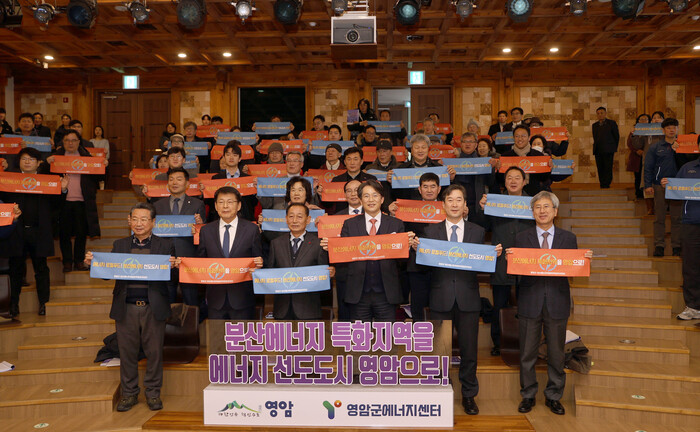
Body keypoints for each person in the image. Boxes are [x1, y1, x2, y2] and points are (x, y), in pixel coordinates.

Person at [415, 184, 502, 416]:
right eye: (450, 200)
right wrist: (418, 251)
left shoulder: (477, 231)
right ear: (443, 205)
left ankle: (469, 395)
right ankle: (440, 391)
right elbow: (422, 268)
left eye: (459, 200)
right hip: (440, 297)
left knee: (469, 351)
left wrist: (492, 256)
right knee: (439, 351)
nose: (454, 204)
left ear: (465, 205)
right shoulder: (430, 232)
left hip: (468, 299)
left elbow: (480, 264)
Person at [84, 202, 178, 413]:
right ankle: (129, 394)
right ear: (129, 221)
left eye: (144, 219)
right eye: (134, 219)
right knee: (127, 353)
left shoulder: (166, 245)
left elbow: (172, 279)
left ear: (153, 222)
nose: (139, 223)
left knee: (154, 353)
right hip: (126, 308)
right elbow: (108, 272)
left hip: (153, 308)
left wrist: (174, 267)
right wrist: (93, 264)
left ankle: (153, 393)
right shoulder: (120, 245)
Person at [509, 191, 592, 416]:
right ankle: (528, 394)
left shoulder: (568, 238)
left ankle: (554, 396)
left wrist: (584, 261)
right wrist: (510, 260)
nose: (542, 211)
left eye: (546, 207)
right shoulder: (521, 238)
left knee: (556, 353)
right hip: (530, 300)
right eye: (537, 207)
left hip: (557, 301)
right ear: (532, 212)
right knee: (527, 352)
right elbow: (516, 271)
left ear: (555, 211)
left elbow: (573, 269)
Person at [328, 179, 413, 322]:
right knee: (360, 335)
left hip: (386, 293)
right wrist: (332, 247)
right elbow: (344, 257)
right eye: (366, 196)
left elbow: (402, 261)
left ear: (382, 199)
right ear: (361, 200)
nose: (371, 200)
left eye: (375, 195)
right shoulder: (349, 224)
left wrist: (406, 247)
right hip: (358, 293)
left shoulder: (396, 224)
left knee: (386, 335)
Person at [0, 147, 67, 317]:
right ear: (19, 162)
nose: (27, 162)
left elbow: (57, 206)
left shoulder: (47, 181)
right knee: (15, 269)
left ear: (38, 163)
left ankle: (44, 304)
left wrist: (63, 190)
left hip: (39, 232)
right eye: (24, 159)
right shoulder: (10, 179)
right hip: (16, 231)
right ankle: (13, 305)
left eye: (31, 159)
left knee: (41, 269)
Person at [479, 167, 534, 355]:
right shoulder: (495, 202)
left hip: (526, 262)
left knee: (526, 305)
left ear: (524, 181)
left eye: (517, 178)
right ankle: (498, 343)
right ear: (504, 182)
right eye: (509, 177)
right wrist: (483, 209)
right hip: (500, 261)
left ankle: (526, 343)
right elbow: (483, 227)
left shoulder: (534, 203)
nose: (513, 181)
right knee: (499, 305)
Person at [197, 186, 263, 319]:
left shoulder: (251, 229)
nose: (225, 206)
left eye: (230, 202)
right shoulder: (206, 231)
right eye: (221, 202)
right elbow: (200, 261)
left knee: (242, 333)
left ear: (239, 206)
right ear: (216, 206)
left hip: (242, 298)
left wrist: (260, 264)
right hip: (215, 298)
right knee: (215, 333)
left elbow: (259, 258)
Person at [46, 130, 104, 273]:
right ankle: (67, 262)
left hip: (82, 201)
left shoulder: (87, 157)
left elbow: (98, 178)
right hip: (62, 202)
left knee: (81, 233)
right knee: (64, 234)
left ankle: (79, 261)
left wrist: (103, 166)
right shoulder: (56, 157)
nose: (70, 143)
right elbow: (44, 177)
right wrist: (47, 164)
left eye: (74, 140)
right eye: (67, 140)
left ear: (79, 142)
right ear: (63, 142)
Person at [389, 172, 442, 321]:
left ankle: (439, 336)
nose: (429, 190)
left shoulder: (448, 206)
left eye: (433, 186)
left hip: (441, 265)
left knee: (440, 307)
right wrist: (393, 215)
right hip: (416, 265)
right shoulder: (408, 208)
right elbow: (398, 231)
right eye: (425, 186)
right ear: (419, 189)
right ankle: (420, 333)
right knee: (418, 307)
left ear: (439, 189)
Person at [267, 203, 331, 320]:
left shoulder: (318, 244)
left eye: (299, 217)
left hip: (309, 308)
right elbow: (270, 273)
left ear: (308, 220)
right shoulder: (275, 243)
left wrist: (329, 273)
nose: (295, 220)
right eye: (291, 216)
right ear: (286, 219)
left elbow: (323, 275)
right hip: (282, 309)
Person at [153, 167, 205, 305]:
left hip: (188, 259)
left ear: (187, 184)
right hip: (165, 259)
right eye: (171, 179)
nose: (174, 182)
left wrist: (200, 226)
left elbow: (203, 235)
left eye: (179, 179)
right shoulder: (157, 205)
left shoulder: (197, 204)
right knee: (166, 301)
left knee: (191, 301)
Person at [665, 135, 700, 320]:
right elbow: (676, 190)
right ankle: (693, 307)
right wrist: (668, 185)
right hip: (691, 224)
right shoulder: (688, 168)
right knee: (691, 266)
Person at [644, 117, 683, 257]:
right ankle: (659, 245)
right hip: (659, 185)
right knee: (659, 218)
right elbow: (648, 167)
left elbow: (687, 164)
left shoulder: (683, 146)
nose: (671, 130)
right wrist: (648, 185)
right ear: (663, 130)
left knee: (677, 218)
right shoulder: (655, 147)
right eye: (668, 128)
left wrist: (678, 151)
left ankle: (677, 246)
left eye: (674, 127)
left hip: (678, 187)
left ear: (677, 129)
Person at [452, 132, 497, 228]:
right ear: (461, 144)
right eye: (465, 141)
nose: (467, 144)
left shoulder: (483, 162)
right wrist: (450, 178)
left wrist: (491, 168)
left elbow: (490, 183)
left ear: (476, 145)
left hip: (476, 205)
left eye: (471, 141)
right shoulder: (453, 162)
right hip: (457, 204)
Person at [210, 141, 257, 222]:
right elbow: (211, 203)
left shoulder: (248, 179)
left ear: (240, 159)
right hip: (222, 218)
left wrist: (256, 190)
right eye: (228, 155)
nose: (231, 157)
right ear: (224, 157)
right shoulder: (216, 179)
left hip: (244, 218)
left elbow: (253, 203)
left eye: (235, 155)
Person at [499, 126, 551, 197]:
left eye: (523, 136)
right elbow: (501, 180)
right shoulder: (505, 156)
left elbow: (543, 178)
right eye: (517, 136)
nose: (520, 139)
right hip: (511, 195)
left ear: (529, 137)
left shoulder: (538, 155)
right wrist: (498, 169)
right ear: (513, 138)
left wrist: (548, 168)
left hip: (534, 194)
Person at [592, 106, 620, 189]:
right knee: (600, 167)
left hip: (608, 149)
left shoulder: (611, 123)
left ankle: (607, 184)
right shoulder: (594, 125)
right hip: (598, 150)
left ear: (605, 114)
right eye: (598, 113)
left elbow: (616, 136)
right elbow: (595, 137)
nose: (600, 115)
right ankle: (602, 183)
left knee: (607, 167)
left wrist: (613, 147)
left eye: (601, 113)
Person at [627, 114, 651, 200]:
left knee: (646, 175)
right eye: (641, 119)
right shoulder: (635, 130)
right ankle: (638, 194)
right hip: (637, 157)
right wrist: (637, 150)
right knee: (638, 176)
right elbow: (629, 143)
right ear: (638, 121)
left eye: (646, 119)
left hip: (648, 157)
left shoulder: (652, 131)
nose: (643, 121)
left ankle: (647, 195)